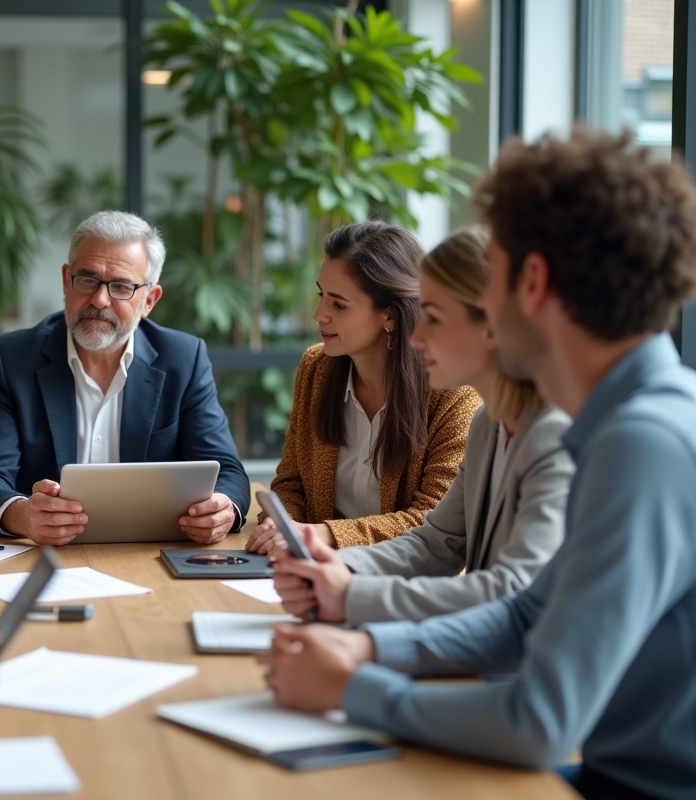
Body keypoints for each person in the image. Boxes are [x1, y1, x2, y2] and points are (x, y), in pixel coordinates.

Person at [257, 129, 696, 800]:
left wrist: (356, 687)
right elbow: (526, 614)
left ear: (532, 282)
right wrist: (371, 649)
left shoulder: (642, 444)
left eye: (487, 271)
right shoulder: (622, 423)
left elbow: (540, 721)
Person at [269, 227, 572, 625]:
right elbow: (437, 543)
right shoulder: (489, 423)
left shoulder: (554, 432)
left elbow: (514, 589)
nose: (418, 335)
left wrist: (353, 597)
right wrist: (339, 568)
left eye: (433, 317)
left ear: (491, 326)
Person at [0, 210, 250, 546]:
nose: (99, 299)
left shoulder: (183, 360)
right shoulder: (10, 360)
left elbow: (228, 472)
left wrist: (222, 509)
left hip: (150, 557)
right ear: (67, 279)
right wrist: (22, 515)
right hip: (45, 559)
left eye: (121, 286)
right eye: (87, 279)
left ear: (149, 300)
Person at [248, 221, 480, 551]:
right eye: (321, 295)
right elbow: (291, 484)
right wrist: (282, 524)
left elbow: (432, 520)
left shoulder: (453, 392)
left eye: (338, 305)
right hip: (315, 569)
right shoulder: (316, 368)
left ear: (390, 316)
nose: (318, 315)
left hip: (405, 582)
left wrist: (321, 535)